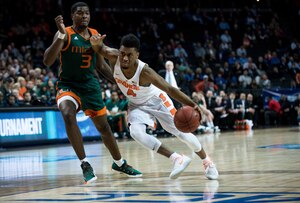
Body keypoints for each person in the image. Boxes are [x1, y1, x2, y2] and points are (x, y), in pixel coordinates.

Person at [90, 33, 219, 180]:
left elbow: (170, 89)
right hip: (136, 104)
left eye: (130, 55)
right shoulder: (113, 56)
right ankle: (177, 158)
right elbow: (100, 48)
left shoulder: (145, 71)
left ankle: (207, 162)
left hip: (156, 100)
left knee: (180, 132)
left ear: (137, 55)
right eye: (123, 54)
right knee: (135, 132)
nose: (125, 58)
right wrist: (96, 43)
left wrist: (194, 105)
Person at [43, 2, 142, 184]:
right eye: (80, 13)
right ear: (72, 16)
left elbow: (101, 66)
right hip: (68, 85)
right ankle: (85, 163)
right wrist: (60, 36)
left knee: (104, 128)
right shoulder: (64, 33)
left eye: (87, 13)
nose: (85, 16)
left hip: (90, 86)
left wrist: (121, 83)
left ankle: (119, 163)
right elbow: (48, 61)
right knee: (67, 113)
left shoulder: (95, 35)